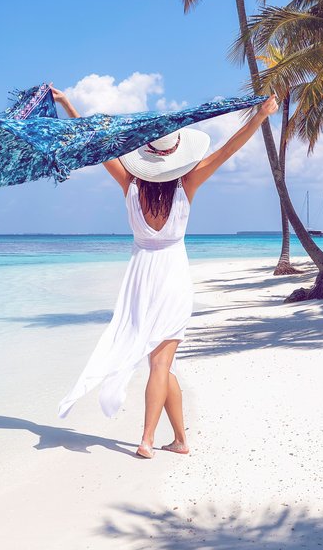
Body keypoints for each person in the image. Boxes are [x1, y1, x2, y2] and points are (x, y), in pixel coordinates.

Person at [51, 86, 279, 458]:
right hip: (173, 274)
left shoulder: (129, 183)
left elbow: (92, 142)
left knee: (160, 362)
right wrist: (259, 116)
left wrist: (68, 105)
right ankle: (158, 440)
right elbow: (227, 149)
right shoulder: (188, 184)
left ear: (146, 157)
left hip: (141, 275)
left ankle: (168, 439)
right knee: (161, 362)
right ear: (178, 157)